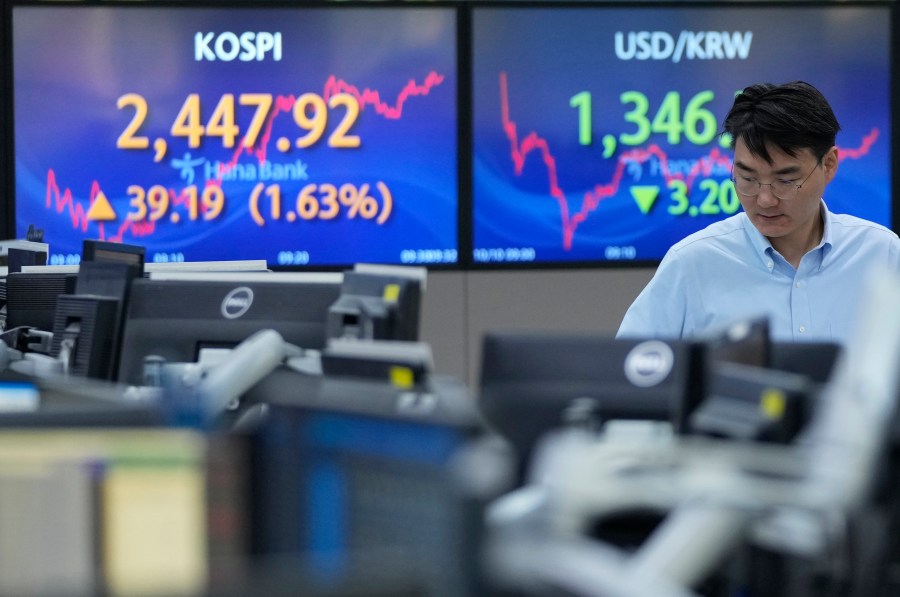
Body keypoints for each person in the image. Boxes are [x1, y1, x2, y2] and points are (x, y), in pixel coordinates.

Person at [616, 81, 900, 344]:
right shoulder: (692, 263)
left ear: (828, 165)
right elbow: (630, 373)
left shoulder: (882, 255)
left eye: (786, 180)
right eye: (748, 178)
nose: (764, 200)